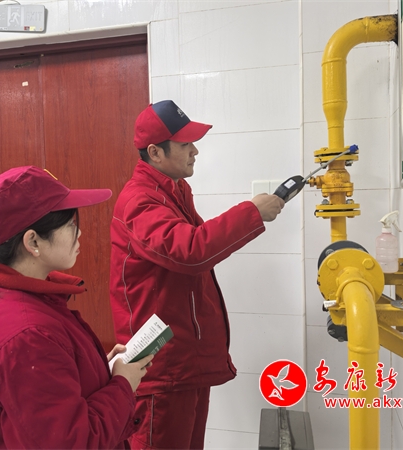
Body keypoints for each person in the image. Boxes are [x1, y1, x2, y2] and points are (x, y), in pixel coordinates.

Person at [109, 100, 285, 449]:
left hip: (184, 360)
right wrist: (251, 212)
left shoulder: (174, 191)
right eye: (186, 144)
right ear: (155, 152)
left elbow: (200, 246)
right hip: (161, 366)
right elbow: (191, 251)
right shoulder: (139, 202)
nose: (195, 151)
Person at [0, 166, 153, 449]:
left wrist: (97, 369)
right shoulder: (27, 334)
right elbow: (70, 442)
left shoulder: (18, 300)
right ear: (33, 241)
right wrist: (123, 386)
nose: (80, 233)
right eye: (71, 225)